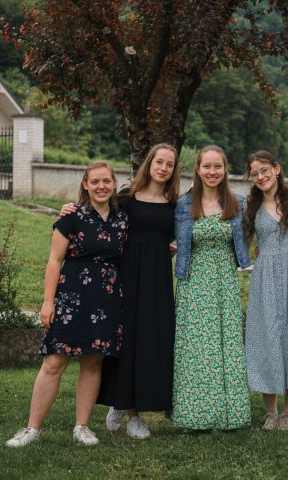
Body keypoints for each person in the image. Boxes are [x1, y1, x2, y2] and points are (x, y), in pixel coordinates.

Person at [59, 144, 180, 440]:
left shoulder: (175, 204)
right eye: (159, 162)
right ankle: (124, 406)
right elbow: (96, 212)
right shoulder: (125, 198)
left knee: (150, 341)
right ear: (149, 163)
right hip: (125, 274)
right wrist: (68, 209)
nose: (163, 168)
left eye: (169, 164)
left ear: (174, 170)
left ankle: (136, 409)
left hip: (157, 279)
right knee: (125, 341)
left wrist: (170, 248)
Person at [6, 161, 128, 447]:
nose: (101, 186)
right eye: (95, 181)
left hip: (106, 300)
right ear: (85, 184)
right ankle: (32, 429)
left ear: (114, 184)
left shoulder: (123, 219)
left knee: (93, 362)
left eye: (106, 181)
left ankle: (82, 426)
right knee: (54, 362)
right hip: (71, 299)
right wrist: (48, 302)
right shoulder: (71, 216)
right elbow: (54, 261)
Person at [173, 145, 251, 431]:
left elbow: (259, 225)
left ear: (225, 169)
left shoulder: (238, 203)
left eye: (217, 166)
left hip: (225, 283)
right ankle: (194, 416)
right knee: (197, 348)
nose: (212, 172)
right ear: (198, 169)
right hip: (194, 282)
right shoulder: (183, 204)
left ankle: (231, 415)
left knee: (227, 345)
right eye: (207, 166)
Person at [243, 150, 288, 431]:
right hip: (265, 278)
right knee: (267, 339)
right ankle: (271, 412)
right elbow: (242, 242)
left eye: (265, 170)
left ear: (277, 168)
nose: (261, 177)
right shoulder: (251, 205)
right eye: (255, 173)